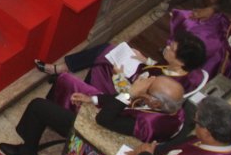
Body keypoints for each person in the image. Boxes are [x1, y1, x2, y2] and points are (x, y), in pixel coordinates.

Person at [0, 75, 186, 155]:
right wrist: (93, 99)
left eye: (149, 86)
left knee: (39, 106)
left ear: (153, 101)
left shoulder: (148, 125)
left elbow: (104, 120)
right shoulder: (172, 107)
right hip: (113, 117)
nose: (146, 82)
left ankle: (27, 151)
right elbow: (125, 102)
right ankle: (42, 124)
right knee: (66, 81)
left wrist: (130, 92)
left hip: (101, 134)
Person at [40, 33, 209, 110]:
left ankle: (71, 89)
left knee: (101, 64)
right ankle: (65, 68)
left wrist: (118, 76)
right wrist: (146, 61)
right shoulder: (180, 71)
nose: (166, 47)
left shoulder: (163, 86)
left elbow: (131, 98)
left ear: (180, 60)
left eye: (171, 49)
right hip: (137, 76)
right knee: (109, 50)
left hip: (122, 95)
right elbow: (160, 68)